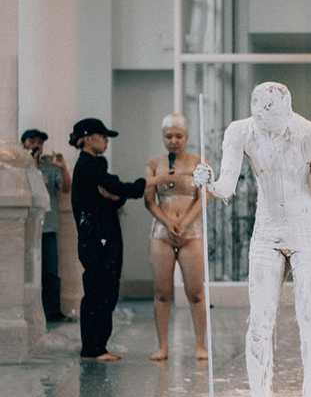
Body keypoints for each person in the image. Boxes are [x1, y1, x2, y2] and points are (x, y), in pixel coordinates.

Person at [194, 82, 311, 397]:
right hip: (267, 230)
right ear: (254, 114)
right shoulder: (240, 132)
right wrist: (209, 182)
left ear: (287, 115)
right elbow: (227, 185)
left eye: (274, 126)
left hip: (306, 231)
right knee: (259, 320)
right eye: (262, 124)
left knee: (309, 318)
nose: (268, 133)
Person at [70, 118, 169, 361]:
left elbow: (115, 194)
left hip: (103, 236)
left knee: (106, 290)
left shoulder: (94, 165)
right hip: (97, 238)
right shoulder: (88, 166)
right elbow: (117, 187)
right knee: (98, 290)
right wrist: (155, 180)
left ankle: (98, 346)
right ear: (88, 137)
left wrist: (115, 194)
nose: (105, 141)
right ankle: (93, 348)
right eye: (102, 136)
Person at [144, 114, 208, 361]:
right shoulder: (154, 164)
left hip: (191, 231)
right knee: (163, 292)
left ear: (187, 137)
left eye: (178, 136)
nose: (173, 141)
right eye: (168, 136)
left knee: (195, 291)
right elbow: (149, 201)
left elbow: (203, 199)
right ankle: (163, 347)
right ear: (163, 138)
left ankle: (200, 345)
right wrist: (169, 223)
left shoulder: (199, 163)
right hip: (162, 232)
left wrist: (183, 223)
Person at [21, 128, 72, 324]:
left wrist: (63, 166)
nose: (36, 145)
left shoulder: (51, 166)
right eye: (32, 141)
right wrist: (31, 165)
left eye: (40, 142)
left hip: (48, 228)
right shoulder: (20, 167)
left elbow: (66, 189)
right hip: (26, 227)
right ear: (23, 144)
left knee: (50, 272)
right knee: (28, 273)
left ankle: (53, 312)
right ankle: (30, 314)